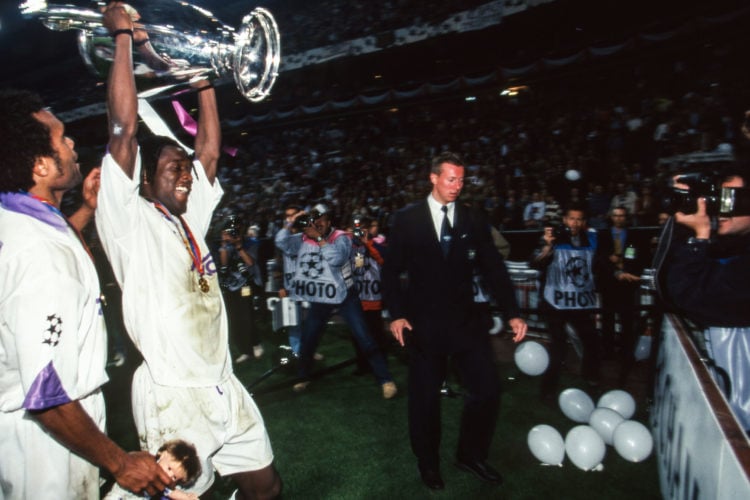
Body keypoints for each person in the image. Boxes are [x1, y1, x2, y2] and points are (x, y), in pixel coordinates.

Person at [95, 4, 281, 498]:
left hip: (224, 382)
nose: (185, 174)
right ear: (144, 179)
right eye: (173, 167)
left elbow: (211, 154)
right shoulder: (127, 220)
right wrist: (120, 40)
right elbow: (123, 132)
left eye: (184, 167)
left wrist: (203, 82)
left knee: (266, 487)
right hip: (173, 395)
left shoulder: (189, 222)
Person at [0, 88, 172, 498]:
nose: (72, 143)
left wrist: (87, 210)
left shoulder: (19, 219)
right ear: (41, 165)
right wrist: (120, 463)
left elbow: (50, 251)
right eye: (62, 138)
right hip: (47, 438)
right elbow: (46, 394)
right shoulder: (39, 252)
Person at [382, 152, 527, 490]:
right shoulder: (407, 219)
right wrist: (397, 314)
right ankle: (428, 463)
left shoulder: (474, 219)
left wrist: (513, 312)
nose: (457, 186)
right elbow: (391, 271)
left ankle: (471, 455)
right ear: (433, 178)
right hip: (423, 324)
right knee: (425, 399)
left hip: (466, 322)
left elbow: (493, 268)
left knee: (488, 390)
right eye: (451, 179)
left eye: (461, 180)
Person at [275, 204, 397, 398]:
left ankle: (385, 379)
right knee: (309, 338)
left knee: (364, 336)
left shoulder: (341, 237)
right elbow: (281, 242)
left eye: (321, 219)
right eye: (314, 220)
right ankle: (303, 376)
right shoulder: (304, 237)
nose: (317, 223)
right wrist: (291, 222)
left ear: (329, 221)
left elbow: (337, 258)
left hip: (345, 296)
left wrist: (319, 239)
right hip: (321, 298)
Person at [661, 168, 750, 430]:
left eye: (728, 198)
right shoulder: (733, 246)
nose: (719, 209)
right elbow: (667, 282)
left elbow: (689, 295)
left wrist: (700, 237)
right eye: (715, 198)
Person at [532, 202, 603, 400]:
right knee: (558, 347)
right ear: (564, 220)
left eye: (579, 219)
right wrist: (547, 246)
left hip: (580, 302)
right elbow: (535, 262)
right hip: (555, 302)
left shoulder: (592, 239)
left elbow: (599, 265)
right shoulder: (553, 238)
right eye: (571, 218)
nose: (575, 222)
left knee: (592, 341)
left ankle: (591, 378)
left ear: (584, 222)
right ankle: (547, 391)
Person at [598, 206, 649, 385]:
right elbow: (599, 258)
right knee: (608, 319)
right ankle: (607, 352)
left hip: (628, 285)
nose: (619, 218)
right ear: (611, 217)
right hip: (609, 283)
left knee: (628, 320)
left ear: (627, 218)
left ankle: (626, 354)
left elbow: (641, 257)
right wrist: (613, 270)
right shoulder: (602, 235)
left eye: (622, 216)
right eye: (616, 215)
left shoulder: (635, 235)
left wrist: (629, 271)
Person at [218, 216, 264, 363]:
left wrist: (238, 246)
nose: (233, 233)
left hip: (247, 284)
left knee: (247, 316)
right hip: (231, 285)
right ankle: (245, 350)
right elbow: (223, 265)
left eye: (236, 229)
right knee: (235, 319)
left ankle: (255, 344)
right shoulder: (224, 246)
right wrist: (225, 246)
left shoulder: (252, 242)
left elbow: (250, 262)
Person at [105, 439, 202, 500]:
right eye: (169, 468)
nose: (169, 475)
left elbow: (172, 491)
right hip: (120, 495)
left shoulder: (164, 483)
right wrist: (185, 497)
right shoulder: (147, 467)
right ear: (163, 455)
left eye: (174, 477)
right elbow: (172, 493)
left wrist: (187, 496)